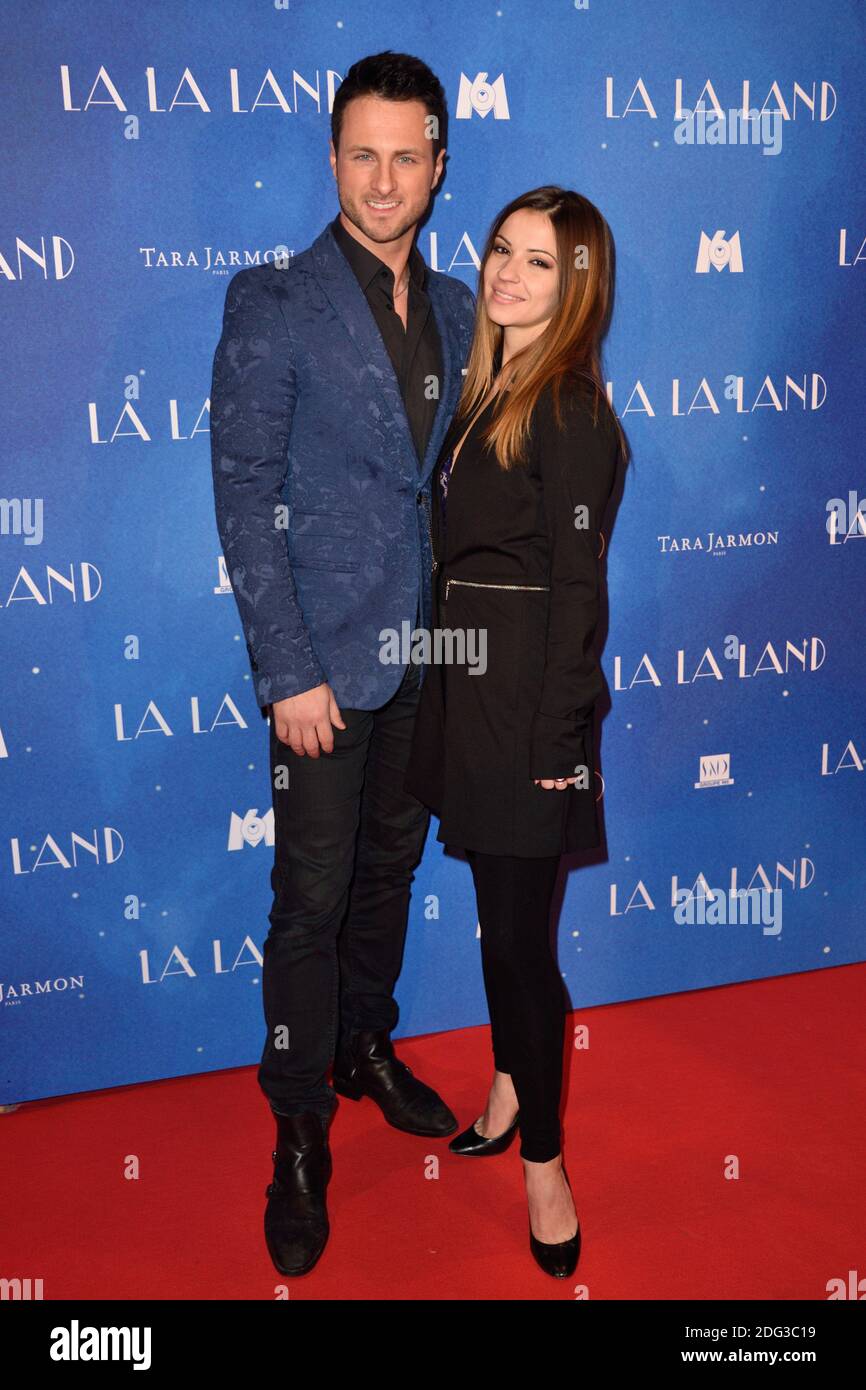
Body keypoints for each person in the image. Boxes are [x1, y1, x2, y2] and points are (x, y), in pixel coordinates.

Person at [209, 51, 476, 1277]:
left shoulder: (470, 307)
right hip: (319, 668)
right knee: (307, 904)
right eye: (360, 155)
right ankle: (297, 1131)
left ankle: (366, 1045)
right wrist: (285, 669)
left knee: (386, 874)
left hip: (429, 654)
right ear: (331, 160)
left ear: (435, 165)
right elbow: (244, 492)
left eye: (404, 156)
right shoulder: (271, 301)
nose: (382, 180)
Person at [403, 185, 628, 1278]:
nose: (507, 274)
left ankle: (544, 1164)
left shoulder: (570, 410)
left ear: (575, 284)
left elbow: (578, 592)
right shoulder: (489, 388)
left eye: (539, 262)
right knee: (498, 928)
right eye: (500, 250)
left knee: (517, 949)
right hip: (469, 693)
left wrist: (555, 747)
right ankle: (502, 1083)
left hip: (528, 714)